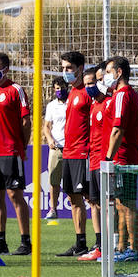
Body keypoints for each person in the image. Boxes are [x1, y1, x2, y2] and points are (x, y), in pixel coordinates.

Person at [0, 52, 32, 256]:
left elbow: (25, 121)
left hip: (11, 150)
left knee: (15, 194)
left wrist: (22, 145)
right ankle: (0, 242)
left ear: (5, 69)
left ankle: (25, 242)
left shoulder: (15, 89)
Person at [103, 56, 138, 263]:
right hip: (125, 157)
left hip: (122, 158)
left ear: (119, 73)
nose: (106, 77)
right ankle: (122, 247)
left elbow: (118, 129)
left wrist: (109, 157)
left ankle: (134, 249)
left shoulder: (123, 95)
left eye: (109, 72)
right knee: (121, 204)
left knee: (127, 204)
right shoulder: (128, 95)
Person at [55, 51, 92, 258]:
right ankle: (80, 243)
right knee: (72, 197)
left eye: (69, 68)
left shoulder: (87, 92)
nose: (65, 72)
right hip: (69, 152)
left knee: (91, 198)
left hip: (82, 152)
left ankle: (102, 242)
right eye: (63, 68)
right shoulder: (72, 93)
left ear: (80, 68)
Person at [79, 64, 110, 262]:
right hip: (93, 160)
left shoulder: (108, 103)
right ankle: (99, 245)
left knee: (108, 205)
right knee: (94, 203)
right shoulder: (93, 105)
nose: (89, 87)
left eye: (92, 83)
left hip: (105, 162)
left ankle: (112, 245)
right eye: (86, 84)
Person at [43, 75, 69, 224]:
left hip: (72, 148)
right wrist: (50, 139)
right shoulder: (52, 106)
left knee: (72, 183)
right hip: (56, 148)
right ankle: (53, 209)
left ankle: (74, 208)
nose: (60, 91)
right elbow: (46, 126)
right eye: (57, 89)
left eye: (62, 88)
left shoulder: (72, 102)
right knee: (54, 180)